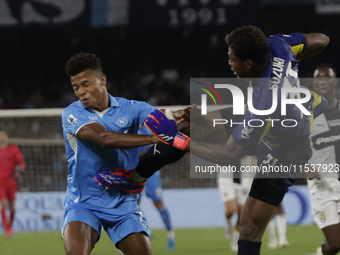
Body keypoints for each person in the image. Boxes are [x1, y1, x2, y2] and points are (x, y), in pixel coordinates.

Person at [95, 26, 330, 254]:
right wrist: (287, 58)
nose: (229, 63)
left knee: (248, 228)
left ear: (248, 63)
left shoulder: (265, 99)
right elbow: (322, 39)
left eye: (232, 59)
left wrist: (178, 141)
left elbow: (231, 155)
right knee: (188, 125)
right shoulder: (277, 45)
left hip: (284, 150)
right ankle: (135, 179)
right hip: (278, 115)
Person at [62, 52, 161, 255]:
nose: (81, 92)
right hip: (83, 203)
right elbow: (104, 139)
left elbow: (161, 121)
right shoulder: (73, 113)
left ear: (102, 80)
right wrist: (153, 139)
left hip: (123, 201)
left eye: (86, 84)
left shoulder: (133, 108)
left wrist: (179, 121)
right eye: (76, 87)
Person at [307, 64, 340, 255]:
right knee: (335, 245)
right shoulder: (306, 115)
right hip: (322, 187)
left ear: (335, 82)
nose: (322, 81)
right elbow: (287, 146)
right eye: (318, 78)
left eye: (327, 77)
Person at [137, 126, 176, 251]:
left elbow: (155, 145)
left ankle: (170, 234)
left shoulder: (146, 127)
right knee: (132, 203)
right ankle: (145, 228)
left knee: (158, 202)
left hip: (150, 169)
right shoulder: (124, 125)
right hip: (132, 169)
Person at [0, 128, 26, 237]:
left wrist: (19, 171)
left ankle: (10, 226)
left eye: (3, 135)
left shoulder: (13, 149)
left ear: (6, 137)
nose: (1, 137)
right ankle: (7, 229)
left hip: (11, 181)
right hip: (0, 182)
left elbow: (22, 163)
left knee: (12, 206)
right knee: (3, 204)